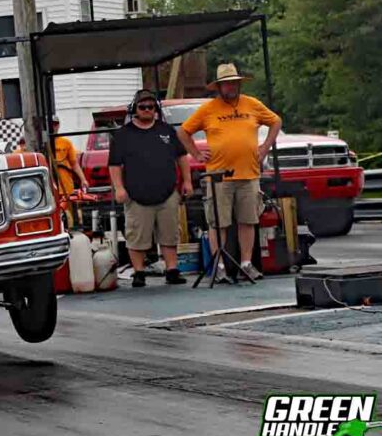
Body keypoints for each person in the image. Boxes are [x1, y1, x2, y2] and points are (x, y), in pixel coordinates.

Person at [177, 63, 282, 283]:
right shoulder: (208, 109)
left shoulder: (252, 104)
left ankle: (246, 263)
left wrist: (264, 147)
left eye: (234, 83)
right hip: (219, 175)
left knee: (248, 220)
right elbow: (183, 132)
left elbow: (275, 121)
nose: (231, 87)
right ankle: (220, 266)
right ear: (219, 87)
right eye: (226, 84)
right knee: (218, 222)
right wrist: (196, 154)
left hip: (249, 173)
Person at [108, 90, 193, 288]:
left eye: (151, 107)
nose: (147, 110)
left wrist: (187, 182)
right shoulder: (123, 135)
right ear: (135, 109)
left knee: (170, 234)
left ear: (156, 109)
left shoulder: (167, 130)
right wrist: (119, 188)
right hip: (136, 195)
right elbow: (114, 165)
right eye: (143, 107)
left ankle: (172, 270)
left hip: (168, 192)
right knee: (136, 236)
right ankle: (139, 273)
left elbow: (182, 157)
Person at [52, 116, 88, 228]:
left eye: (55, 124)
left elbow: (74, 163)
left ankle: (72, 229)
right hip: (50, 186)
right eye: (51, 124)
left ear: (58, 125)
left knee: (69, 214)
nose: (53, 126)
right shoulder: (42, 143)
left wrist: (83, 179)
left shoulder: (65, 143)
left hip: (65, 186)